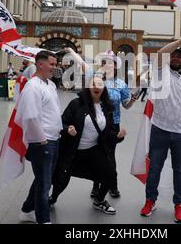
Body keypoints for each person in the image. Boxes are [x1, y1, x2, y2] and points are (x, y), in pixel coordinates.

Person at [139, 33, 181, 224]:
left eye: (179, 55)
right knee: (155, 167)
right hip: (160, 129)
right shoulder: (160, 71)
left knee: (180, 170)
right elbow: (159, 54)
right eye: (173, 55)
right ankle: (150, 201)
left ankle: (179, 205)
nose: (175, 57)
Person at [63, 47, 137, 199]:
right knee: (96, 155)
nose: (106, 64)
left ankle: (112, 185)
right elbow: (82, 63)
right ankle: (96, 185)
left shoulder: (121, 84)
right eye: (104, 62)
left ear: (115, 66)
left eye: (110, 62)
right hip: (93, 124)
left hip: (112, 125)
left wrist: (133, 101)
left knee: (109, 155)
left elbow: (126, 105)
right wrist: (71, 51)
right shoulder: (94, 77)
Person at [49, 76, 127, 214]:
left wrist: (118, 137)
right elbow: (60, 122)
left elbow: (108, 135)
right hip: (72, 151)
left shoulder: (107, 108)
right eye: (93, 84)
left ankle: (99, 200)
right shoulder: (76, 104)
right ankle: (52, 198)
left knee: (110, 174)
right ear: (88, 87)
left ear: (104, 88)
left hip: (92, 150)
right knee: (61, 180)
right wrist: (68, 129)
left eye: (100, 84)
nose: (96, 87)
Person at [18, 50, 62, 224]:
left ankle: (27, 210)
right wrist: (42, 139)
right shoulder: (33, 86)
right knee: (44, 184)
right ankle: (43, 220)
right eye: (52, 64)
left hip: (54, 139)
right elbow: (30, 115)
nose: (55, 67)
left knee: (43, 179)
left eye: (55, 64)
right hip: (43, 143)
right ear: (40, 64)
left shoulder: (49, 85)